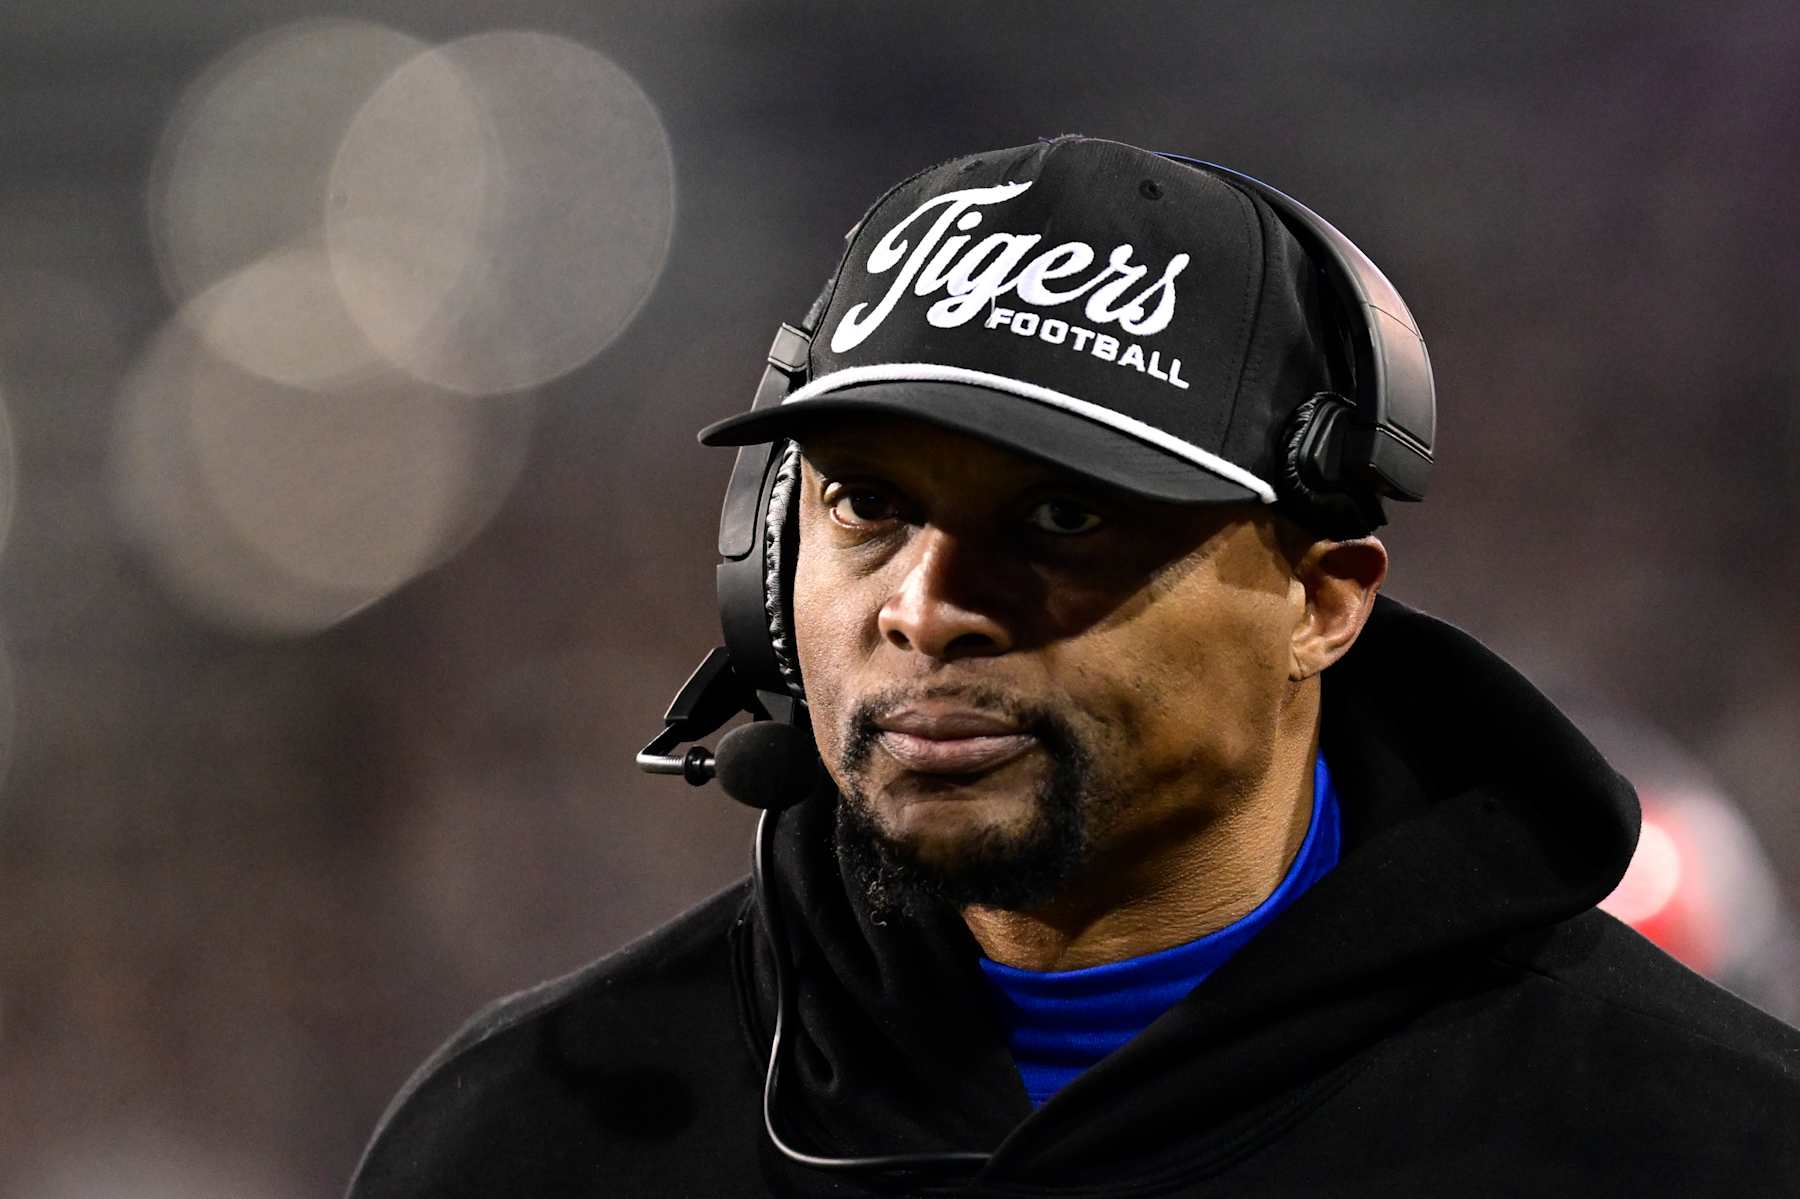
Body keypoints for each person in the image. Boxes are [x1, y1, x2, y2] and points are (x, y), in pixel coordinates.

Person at [345, 136, 1800, 1198]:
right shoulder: (529, 1137)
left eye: (1060, 515)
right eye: (868, 504)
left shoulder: (1700, 1142)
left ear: (1323, 601)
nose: (926, 606)